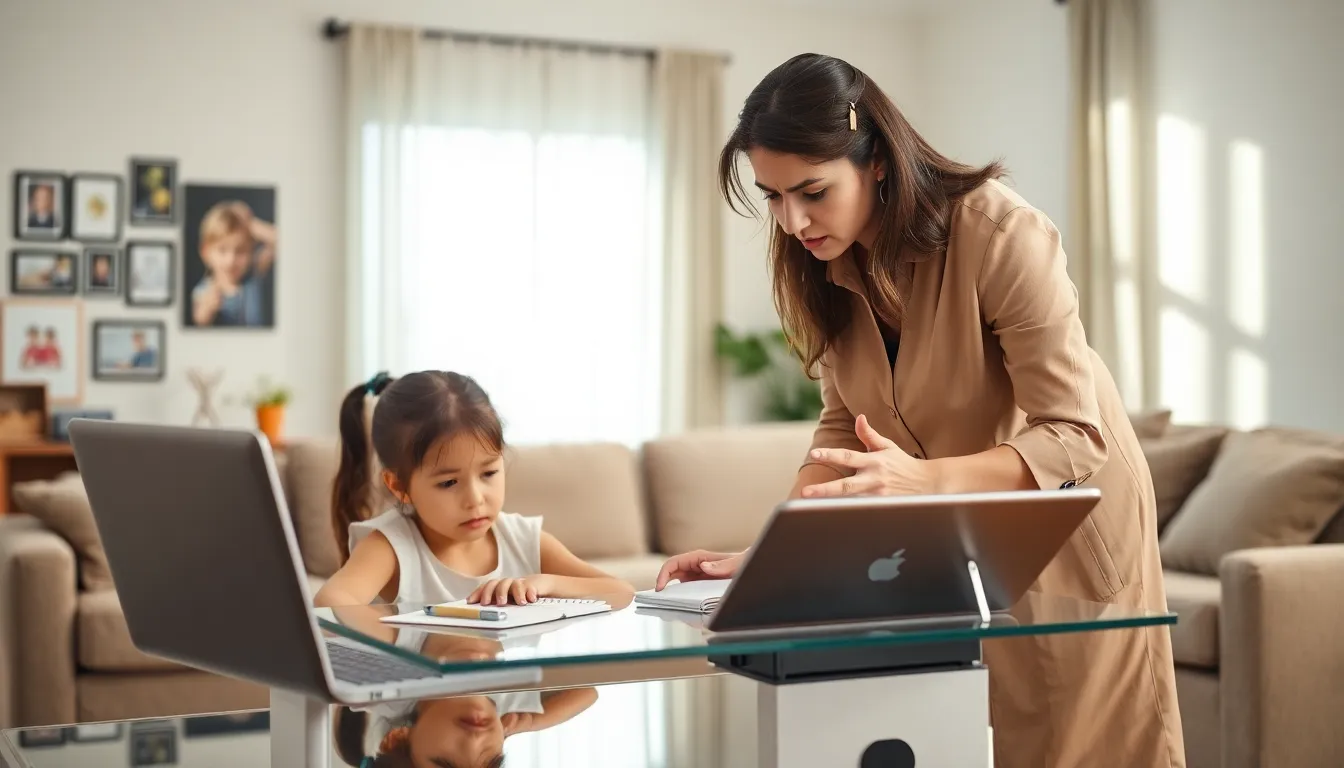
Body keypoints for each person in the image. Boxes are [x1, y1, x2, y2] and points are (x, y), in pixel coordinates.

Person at [655, 53, 1185, 767]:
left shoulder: (1002, 235)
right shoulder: (821, 265)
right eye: (774, 196)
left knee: (1079, 743)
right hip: (963, 534)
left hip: (1070, 523)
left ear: (875, 159)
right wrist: (779, 556)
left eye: (812, 191)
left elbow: (1074, 436)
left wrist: (919, 483)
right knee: (968, 731)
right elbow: (842, 428)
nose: (792, 221)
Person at [313, 370, 634, 608]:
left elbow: (620, 592)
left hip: (505, 696)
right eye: (449, 483)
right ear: (399, 487)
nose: (475, 499)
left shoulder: (522, 540)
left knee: (583, 692)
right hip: (423, 696)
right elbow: (329, 602)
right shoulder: (391, 546)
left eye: (489, 472)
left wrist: (545, 583)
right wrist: (401, 635)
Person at [190, 200, 276, 327]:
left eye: (240, 251)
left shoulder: (254, 276)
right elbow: (199, 319)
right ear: (205, 252)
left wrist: (250, 222)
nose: (231, 260)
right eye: (222, 250)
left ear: (251, 252)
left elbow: (282, 240)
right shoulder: (205, 290)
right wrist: (207, 309)